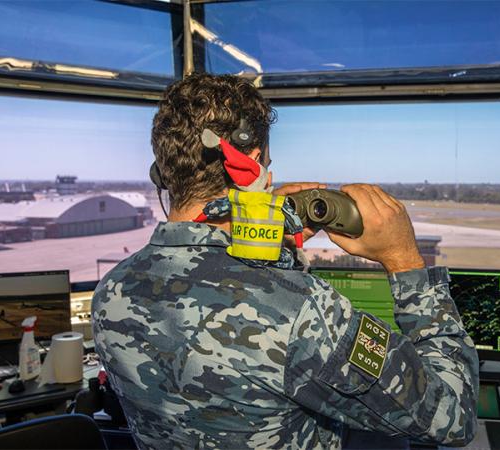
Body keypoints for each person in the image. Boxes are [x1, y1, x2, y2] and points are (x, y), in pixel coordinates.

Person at [92, 73, 479, 450]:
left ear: (162, 172)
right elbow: (453, 415)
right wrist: (405, 261)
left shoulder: (111, 291)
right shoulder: (302, 310)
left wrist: (275, 246)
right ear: (252, 164)